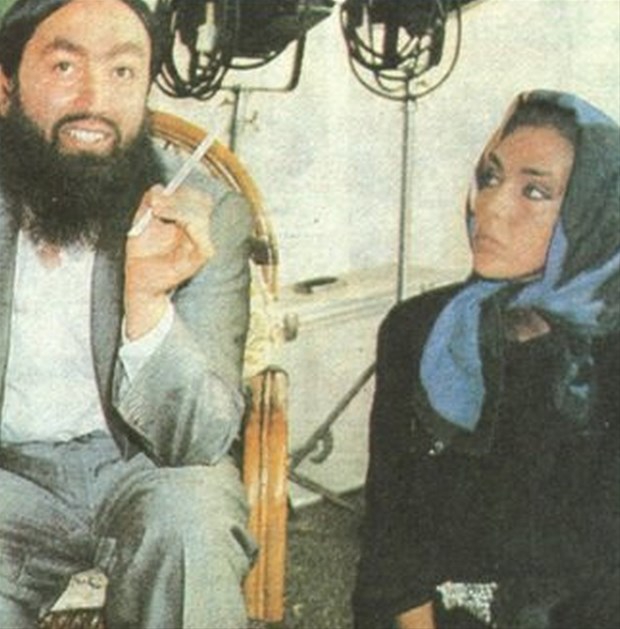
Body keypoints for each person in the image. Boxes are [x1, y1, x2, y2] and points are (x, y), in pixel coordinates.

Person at [0, 0, 256, 627]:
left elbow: (199, 440)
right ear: (5, 87)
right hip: (9, 478)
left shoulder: (203, 213)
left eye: (122, 71)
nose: (95, 100)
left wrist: (148, 303)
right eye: (65, 66)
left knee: (193, 528)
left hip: (148, 468)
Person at [353, 90, 620, 629]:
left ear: (594, 213)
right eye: (490, 178)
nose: (490, 206)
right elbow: (392, 536)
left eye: (535, 191)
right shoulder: (420, 330)